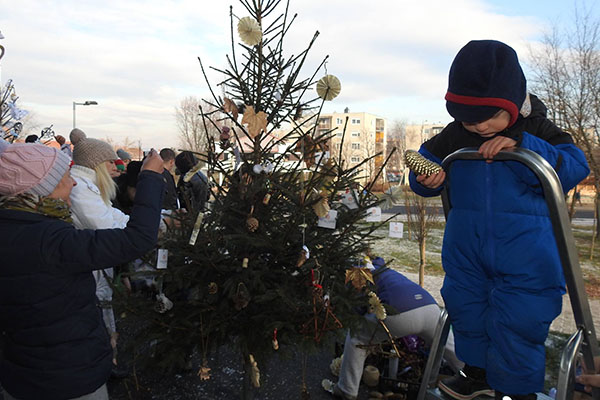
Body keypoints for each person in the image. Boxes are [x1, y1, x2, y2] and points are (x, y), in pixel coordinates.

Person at [408, 40, 590, 400]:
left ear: (512, 104)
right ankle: (476, 373)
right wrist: (426, 178)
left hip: (527, 256)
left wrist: (523, 146)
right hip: (467, 253)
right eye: (466, 118)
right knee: (467, 309)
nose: (477, 127)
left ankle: (519, 391)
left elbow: (575, 166)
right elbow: (423, 163)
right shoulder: (457, 134)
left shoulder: (537, 129)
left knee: (519, 322)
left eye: (488, 117)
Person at [0, 138, 165, 400]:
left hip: (19, 374)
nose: (73, 182)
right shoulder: (52, 241)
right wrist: (150, 178)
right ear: (43, 188)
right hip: (69, 379)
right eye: (65, 176)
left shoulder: (13, 230)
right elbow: (136, 239)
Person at [330, 256, 462, 400]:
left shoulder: (359, 276)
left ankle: (347, 389)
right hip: (431, 308)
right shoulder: (387, 271)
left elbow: (358, 308)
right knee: (451, 349)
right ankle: (477, 381)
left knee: (358, 337)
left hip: (399, 311)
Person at [68, 128, 130, 376]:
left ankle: (107, 361)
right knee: (96, 317)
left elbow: (113, 216)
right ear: (97, 164)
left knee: (103, 311)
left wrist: (141, 223)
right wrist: (138, 229)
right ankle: (101, 367)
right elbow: (105, 226)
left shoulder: (89, 187)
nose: (115, 167)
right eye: (110, 161)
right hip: (87, 273)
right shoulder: (80, 189)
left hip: (96, 271)